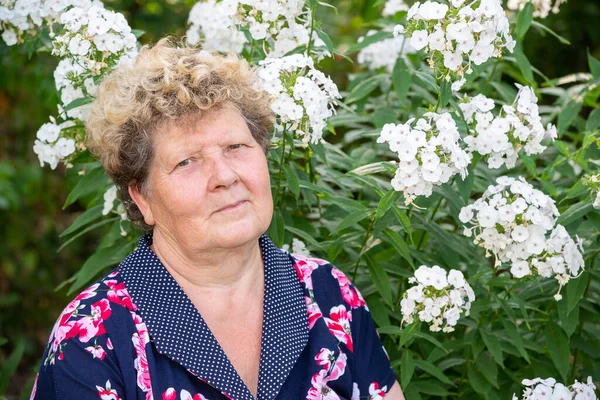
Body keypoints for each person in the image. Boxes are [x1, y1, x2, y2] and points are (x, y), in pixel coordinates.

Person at [30, 39, 406, 400]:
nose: (225, 176)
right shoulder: (92, 337)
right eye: (187, 161)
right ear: (142, 198)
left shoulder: (328, 294)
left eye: (236, 147)